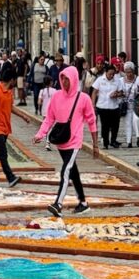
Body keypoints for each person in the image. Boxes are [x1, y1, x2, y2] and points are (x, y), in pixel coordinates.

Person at [35, 66, 97, 217]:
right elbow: (49, 118)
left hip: (75, 141)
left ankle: (59, 203)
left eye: (67, 79)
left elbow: (92, 121)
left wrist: (96, 145)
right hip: (61, 141)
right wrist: (40, 134)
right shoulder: (56, 97)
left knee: (65, 171)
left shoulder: (83, 98)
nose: (64, 81)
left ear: (74, 79)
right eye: (62, 78)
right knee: (73, 172)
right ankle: (83, 203)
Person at [91, 64, 126, 149]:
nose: (111, 76)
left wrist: (116, 94)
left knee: (115, 125)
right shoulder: (100, 80)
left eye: (113, 74)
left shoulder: (117, 81)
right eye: (110, 74)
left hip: (114, 106)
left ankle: (113, 141)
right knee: (105, 125)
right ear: (106, 72)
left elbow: (122, 93)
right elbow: (94, 92)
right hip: (102, 106)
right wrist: (92, 104)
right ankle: (105, 142)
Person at [122, 63, 139, 148]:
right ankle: (129, 141)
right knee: (127, 123)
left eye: (131, 72)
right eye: (127, 72)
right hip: (126, 105)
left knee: (137, 120)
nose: (129, 74)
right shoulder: (121, 80)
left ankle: (138, 137)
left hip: (136, 105)